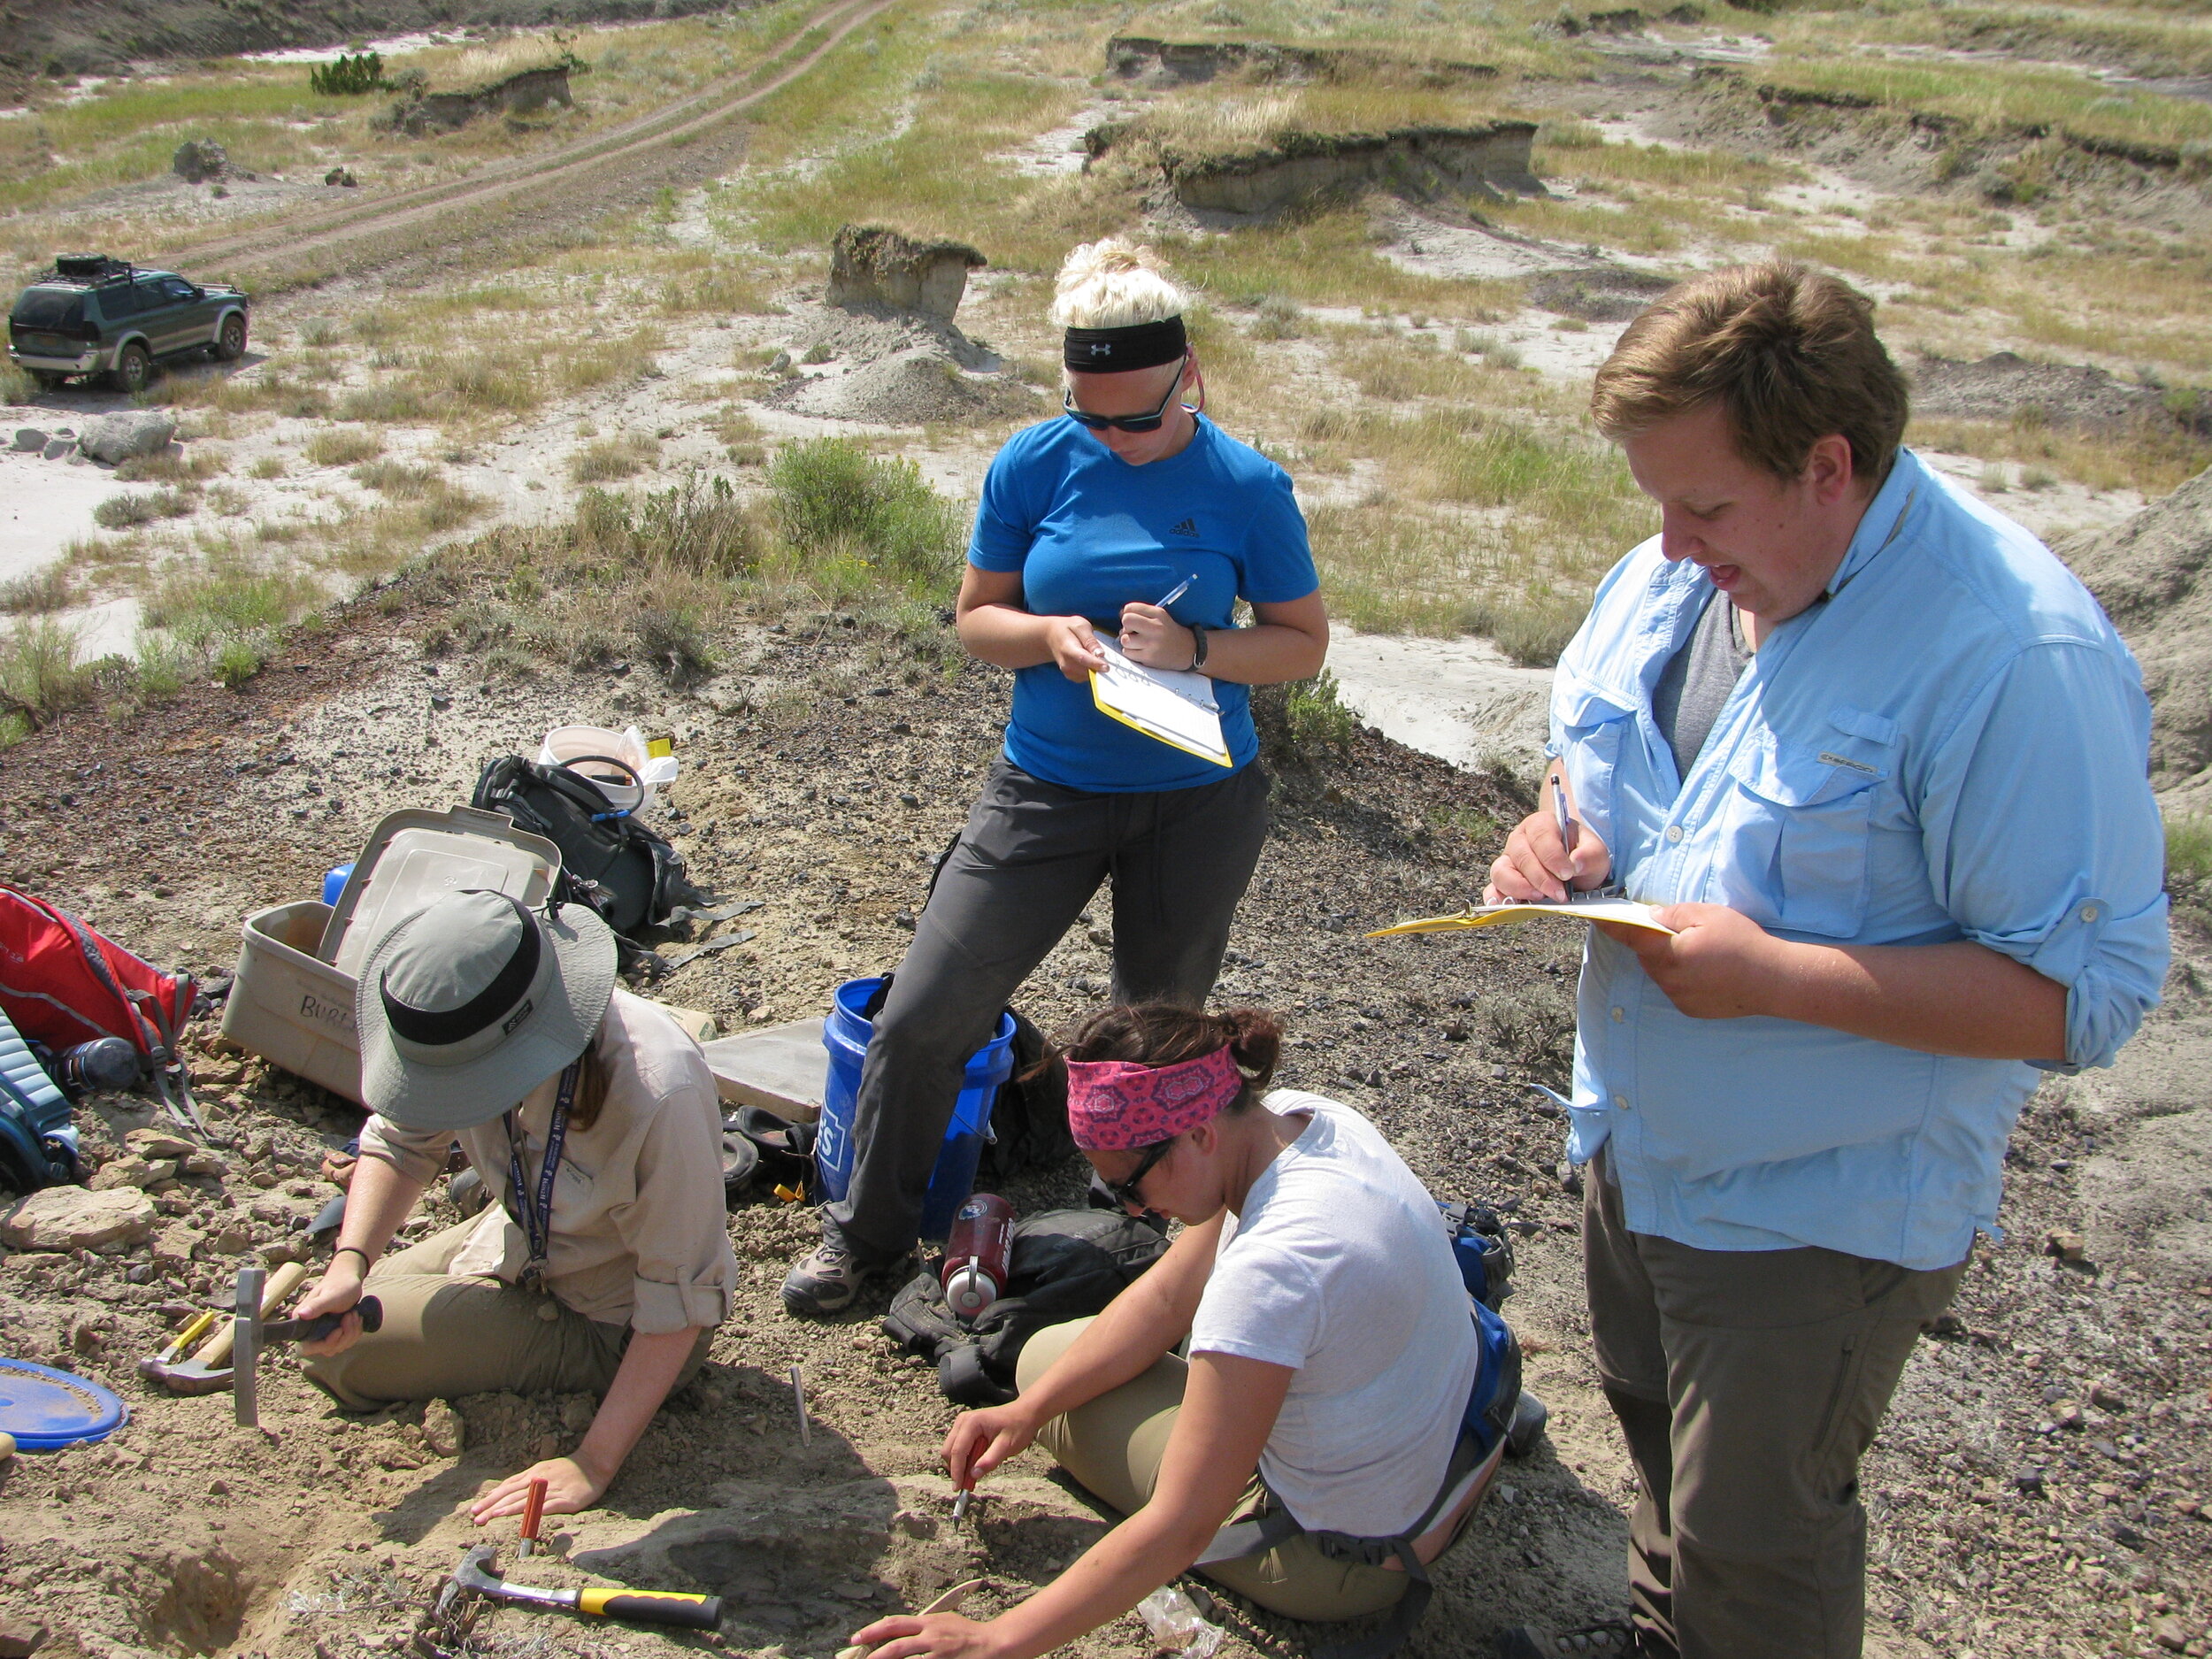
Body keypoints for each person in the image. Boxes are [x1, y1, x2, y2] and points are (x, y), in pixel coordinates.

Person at [1485, 262, 2168, 1659]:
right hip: (1637, 1140)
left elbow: (2083, 997)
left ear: (1830, 467)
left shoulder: (2006, 653)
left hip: (1817, 1212)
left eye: (1705, 506)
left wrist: (1776, 974)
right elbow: (1591, 743)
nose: (1667, 544)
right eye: (1655, 503)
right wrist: (1550, 828)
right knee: (1666, 1475)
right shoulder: (1685, 568)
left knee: (1759, 1551)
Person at [781, 239, 1330, 1316]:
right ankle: (870, 1241)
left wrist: (1199, 652)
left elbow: (1302, 643)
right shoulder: (1032, 462)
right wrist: (1047, 635)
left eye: (1141, 416)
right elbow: (977, 620)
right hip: (1045, 788)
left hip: (1198, 801)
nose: (1118, 439)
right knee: (925, 1014)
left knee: (1152, 1031)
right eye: (1095, 416)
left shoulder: (1248, 488)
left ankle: (1130, 1235)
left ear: (1191, 377)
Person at [846, 1003, 1506, 1659]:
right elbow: (1167, 1297)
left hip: (1350, 1564)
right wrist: (1030, 1411)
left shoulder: (1269, 1271)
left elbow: (1179, 1526)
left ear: (1196, 1132)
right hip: (1460, 1456)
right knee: (1050, 1379)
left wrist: (998, 1637)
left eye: (1130, 1185)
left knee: (1044, 1359)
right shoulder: (1307, 1119)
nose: (1134, 1209)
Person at [295, 888, 738, 1527]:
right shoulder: (470, 1020)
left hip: (619, 1324)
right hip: (526, 1236)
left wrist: (592, 1462)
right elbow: (401, 1139)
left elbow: (681, 1299)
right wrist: (349, 1263)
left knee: (346, 1355)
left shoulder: (656, 1088)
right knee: (356, 1309)